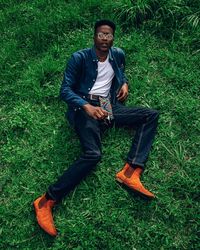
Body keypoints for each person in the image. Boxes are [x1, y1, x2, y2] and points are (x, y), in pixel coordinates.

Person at [33, 20, 159, 236]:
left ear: (113, 38)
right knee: (93, 154)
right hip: (83, 108)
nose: (105, 39)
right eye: (101, 34)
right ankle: (46, 201)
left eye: (109, 35)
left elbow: (120, 70)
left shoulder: (117, 54)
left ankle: (131, 172)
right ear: (94, 36)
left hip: (108, 105)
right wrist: (87, 107)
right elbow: (65, 90)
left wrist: (124, 83)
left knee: (150, 115)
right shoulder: (79, 58)